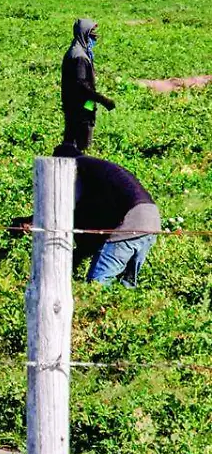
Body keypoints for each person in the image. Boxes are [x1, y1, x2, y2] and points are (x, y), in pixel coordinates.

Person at [54, 143, 160, 288]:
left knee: (97, 285)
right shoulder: (97, 168)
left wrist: (32, 221)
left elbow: (65, 208)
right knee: (126, 287)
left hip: (131, 221)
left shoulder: (76, 167)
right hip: (152, 219)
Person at [61, 18, 115, 152]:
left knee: (71, 142)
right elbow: (82, 85)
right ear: (84, 33)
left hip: (81, 105)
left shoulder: (78, 51)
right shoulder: (79, 56)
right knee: (82, 146)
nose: (95, 36)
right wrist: (104, 100)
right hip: (80, 107)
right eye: (92, 33)